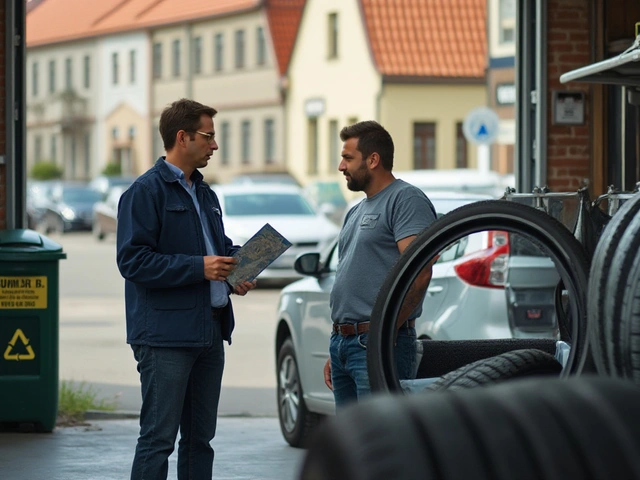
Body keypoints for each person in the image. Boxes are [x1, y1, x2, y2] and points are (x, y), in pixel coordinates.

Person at [116, 98, 256, 479]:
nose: (214, 145)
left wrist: (236, 265)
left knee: (199, 441)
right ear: (183, 137)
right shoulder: (145, 193)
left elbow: (215, 248)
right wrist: (201, 268)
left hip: (210, 330)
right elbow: (133, 262)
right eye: (208, 136)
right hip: (165, 338)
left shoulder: (205, 193)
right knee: (158, 439)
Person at [323, 120, 438, 409]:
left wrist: (383, 333)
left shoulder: (405, 199)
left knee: (381, 443)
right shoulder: (355, 210)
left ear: (373, 160)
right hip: (345, 344)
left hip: (380, 342)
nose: (341, 166)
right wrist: (339, 347)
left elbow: (420, 271)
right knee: (352, 445)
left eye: (348, 158)